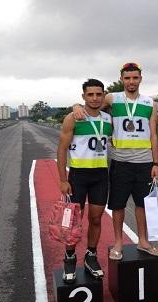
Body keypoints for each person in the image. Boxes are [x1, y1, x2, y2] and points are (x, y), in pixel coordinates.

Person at [73, 62, 158, 260]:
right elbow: (91, 105)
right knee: (118, 204)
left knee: (142, 203)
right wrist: (76, 106)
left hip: (144, 162)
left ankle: (143, 240)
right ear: (121, 79)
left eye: (135, 78)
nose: (131, 81)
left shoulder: (150, 103)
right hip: (120, 161)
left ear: (141, 78)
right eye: (127, 78)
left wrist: (156, 163)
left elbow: (153, 134)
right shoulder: (112, 98)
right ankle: (118, 241)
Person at [57, 78, 112, 283]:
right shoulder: (73, 118)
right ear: (83, 96)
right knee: (73, 221)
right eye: (90, 94)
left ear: (103, 95)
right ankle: (70, 258)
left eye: (99, 94)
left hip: (100, 176)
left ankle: (90, 256)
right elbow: (61, 150)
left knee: (96, 219)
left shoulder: (108, 119)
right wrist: (63, 180)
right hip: (78, 176)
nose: (95, 98)